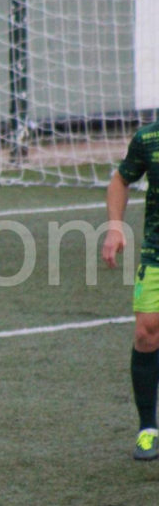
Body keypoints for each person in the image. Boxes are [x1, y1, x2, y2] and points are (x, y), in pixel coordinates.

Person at [103, 123, 159, 459]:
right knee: (146, 333)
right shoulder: (149, 138)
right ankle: (147, 428)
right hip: (157, 251)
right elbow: (121, 180)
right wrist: (115, 228)